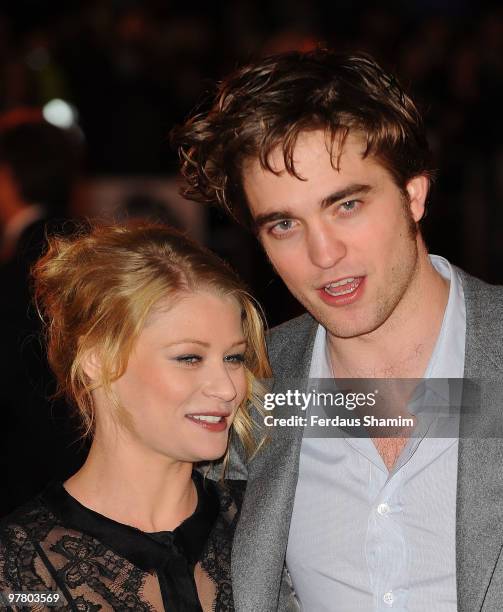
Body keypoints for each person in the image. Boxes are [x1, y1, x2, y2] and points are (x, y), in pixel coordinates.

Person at [173, 50, 503, 611]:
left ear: (413, 195)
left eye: (346, 204)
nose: (323, 254)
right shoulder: (251, 387)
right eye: (284, 224)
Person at [0, 221, 270, 611]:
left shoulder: (267, 527)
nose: (228, 388)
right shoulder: (16, 571)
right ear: (98, 359)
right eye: (189, 358)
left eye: (233, 357)